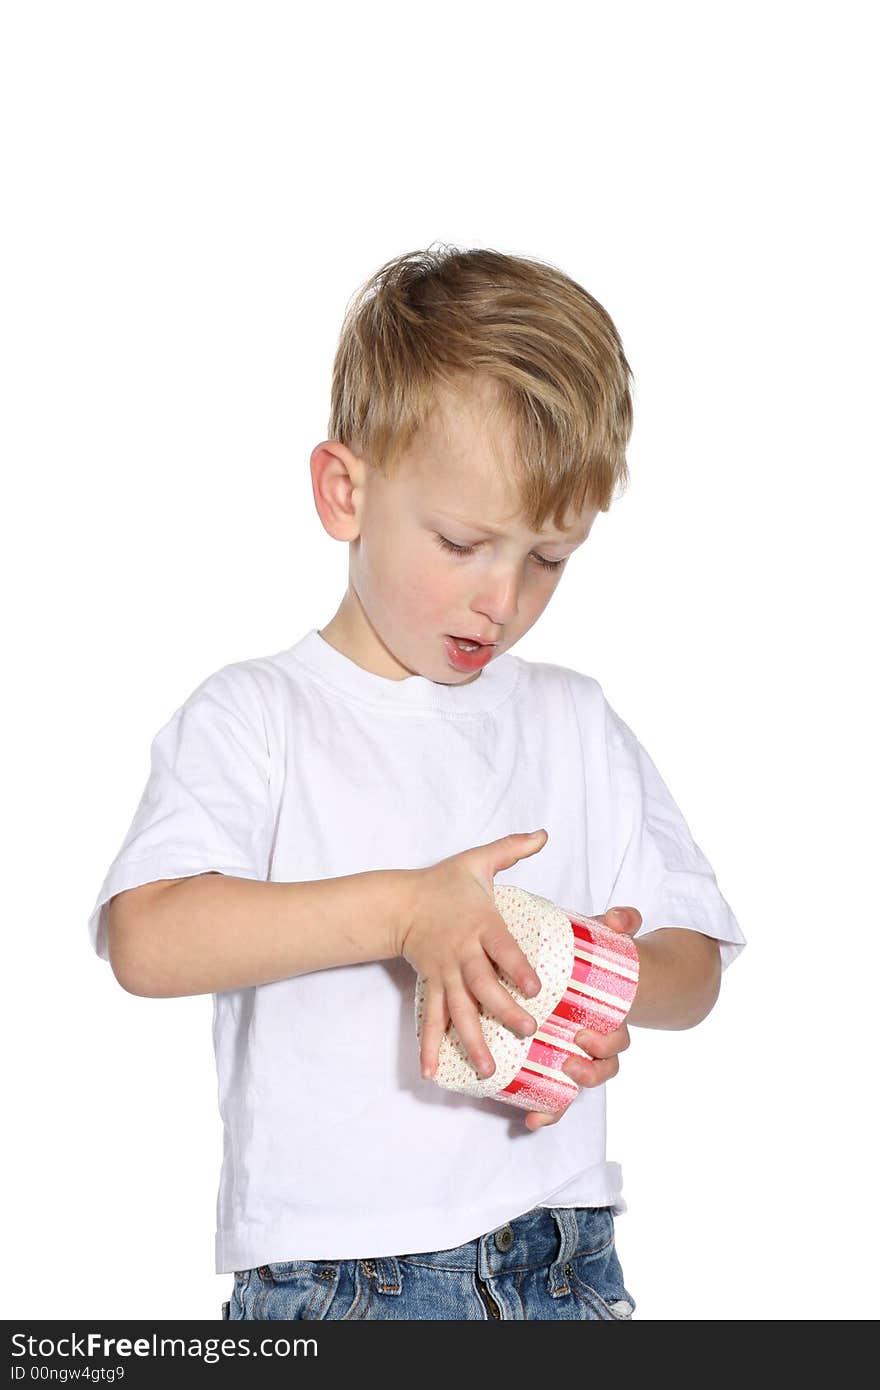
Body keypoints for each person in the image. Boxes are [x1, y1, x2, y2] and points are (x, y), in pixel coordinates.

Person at [88, 244, 746, 1321]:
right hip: (348, 1275)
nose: (502, 598)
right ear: (344, 491)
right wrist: (409, 911)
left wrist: (591, 976)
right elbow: (148, 940)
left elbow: (694, 966)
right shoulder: (258, 715)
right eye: (463, 541)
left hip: (561, 1256)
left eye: (547, 557)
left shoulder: (573, 720)